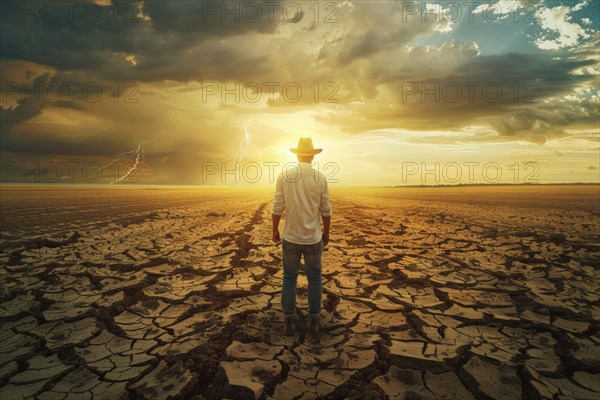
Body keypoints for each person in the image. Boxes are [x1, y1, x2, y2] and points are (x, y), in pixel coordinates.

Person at [272, 137, 332, 336]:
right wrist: (326, 233)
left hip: (291, 237)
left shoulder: (284, 176)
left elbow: (277, 207)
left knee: (289, 278)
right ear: (312, 156)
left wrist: (274, 230)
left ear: (297, 155)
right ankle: (314, 321)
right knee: (315, 279)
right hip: (313, 238)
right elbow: (326, 210)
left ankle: (288, 322)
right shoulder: (320, 178)